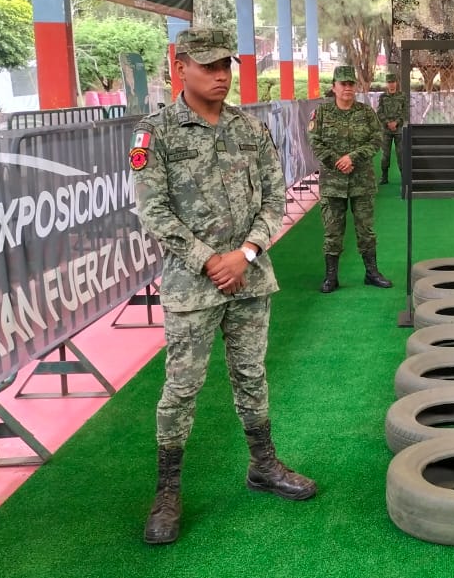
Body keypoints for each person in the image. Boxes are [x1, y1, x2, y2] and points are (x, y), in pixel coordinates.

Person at [131, 28, 316, 546]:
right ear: (180, 66)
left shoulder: (249, 128)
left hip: (250, 278)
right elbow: (153, 210)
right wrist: (209, 260)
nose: (220, 75)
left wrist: (246, 254)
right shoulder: (157, 133)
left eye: (226, 66)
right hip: (193, 286)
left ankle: (263, 466)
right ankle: (167, 491)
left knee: (252, 375)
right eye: (208, 65)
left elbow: (275, 197)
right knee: (182, 389)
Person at [309, 65, 392, 293]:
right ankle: (331, 277)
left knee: (366, 230)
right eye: (342, 84)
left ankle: (372, 272)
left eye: (350, 84)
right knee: (332, 232)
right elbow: (315, 142)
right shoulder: (322, 113)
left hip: (361, 182)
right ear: (334, 87)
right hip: (333, 184)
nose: (347, 88)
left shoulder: (366, 113)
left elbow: (377, 139)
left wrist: (353, 158)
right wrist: (338, 161)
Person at [376, 72, 408, 184]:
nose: (391, 85)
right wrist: (387, 123)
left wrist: (397, 122)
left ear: (396, 83)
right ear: (387, 84)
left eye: (393, 82)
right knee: (385, 155)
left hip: (399, 130)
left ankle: (404, 177)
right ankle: (384, 177)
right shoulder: (382, 97)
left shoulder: (402, 96)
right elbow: (379, 112)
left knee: (401, 155)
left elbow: (405, 112)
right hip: (386, 130)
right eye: (389, 82)